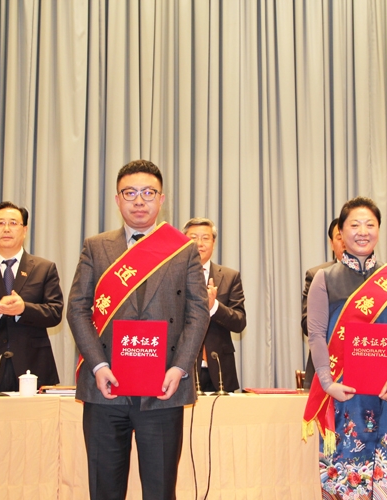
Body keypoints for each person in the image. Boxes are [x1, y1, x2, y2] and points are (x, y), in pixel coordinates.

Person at [67, 160, 209, 499]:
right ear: (117, 199)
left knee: (160, 491)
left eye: (148, 192)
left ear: (162, 199)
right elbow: (77, 308)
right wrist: (98, 365)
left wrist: (179, 368)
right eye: (130, 193)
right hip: (105, 388)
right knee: (104, 490)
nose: (139, 201)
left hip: (163, 389)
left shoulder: (183, 249)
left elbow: (198, 312)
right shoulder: (96, 246)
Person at [303, 197, 387, 499]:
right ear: (341, 232)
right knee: (347, 479)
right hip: (344, 392)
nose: (363, 231)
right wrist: (327, 383)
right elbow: (316, 334)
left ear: (379, 229)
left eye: (370, 224)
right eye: (354, 225)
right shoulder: (324, 279)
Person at [0, 202, 63, 393]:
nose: (6, 229)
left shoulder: (44, 268)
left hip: (33, 364)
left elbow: (55, 313)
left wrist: (23, 309)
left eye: (13, 223)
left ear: (24, 230)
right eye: (0, 223)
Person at [182, 217, 246, 393]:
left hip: (219, 369)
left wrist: (214, 306)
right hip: (182, 368)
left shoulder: (230, 276)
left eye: (205, 238)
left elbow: (240, 322)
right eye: (193, 238)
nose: (199, 243)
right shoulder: (172, 275)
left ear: (213, 242)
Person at [301, 218, 345, 389]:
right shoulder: (318, 276)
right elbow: (307, 325)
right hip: (324, 367)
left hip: (364, 361)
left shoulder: (376, 277)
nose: (344, 242)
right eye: (339, 237)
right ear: (332, 243)